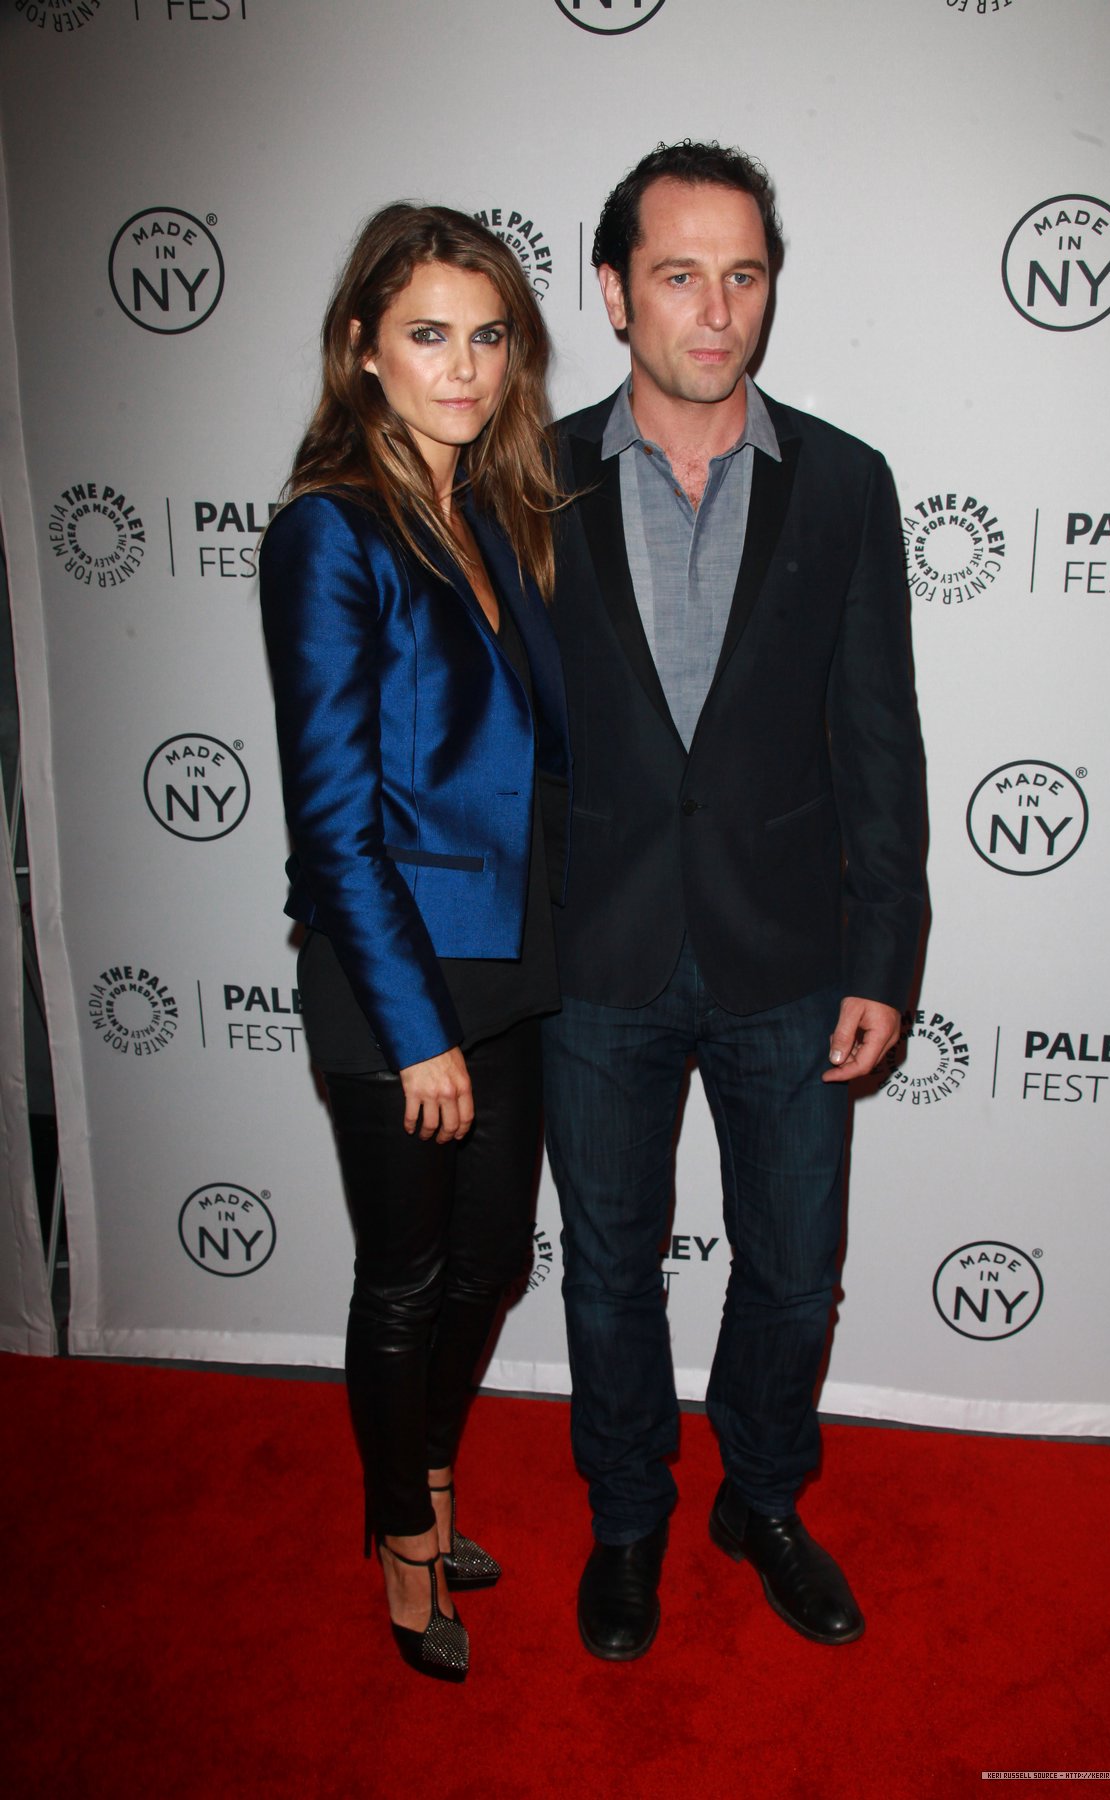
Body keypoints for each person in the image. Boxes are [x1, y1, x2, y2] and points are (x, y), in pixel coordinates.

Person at [542, 142, 926, 1661]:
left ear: (772, 289)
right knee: (609, 1267)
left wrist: (886, 954)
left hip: (788, 954)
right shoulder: (530, 475)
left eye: (744, 275)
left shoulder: (843, 481)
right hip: (594, 955)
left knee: (787, 1264)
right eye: (680, 274)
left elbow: (878, 736)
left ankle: (759, 1498)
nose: (716, 309)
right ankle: (628, 1515)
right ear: (616, 290)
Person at [259, 203, 570, 1683]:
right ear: (363, 352)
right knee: (404, 1277)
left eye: (489, 336)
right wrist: (413, 1028)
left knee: (492, 1262)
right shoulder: (328, 531)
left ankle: (437, 1475)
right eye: (429, 336)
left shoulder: (500, 514)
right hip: (393, 972)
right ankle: (400, 1535)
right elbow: (332, 817)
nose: (464, 368)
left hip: (509, 956)